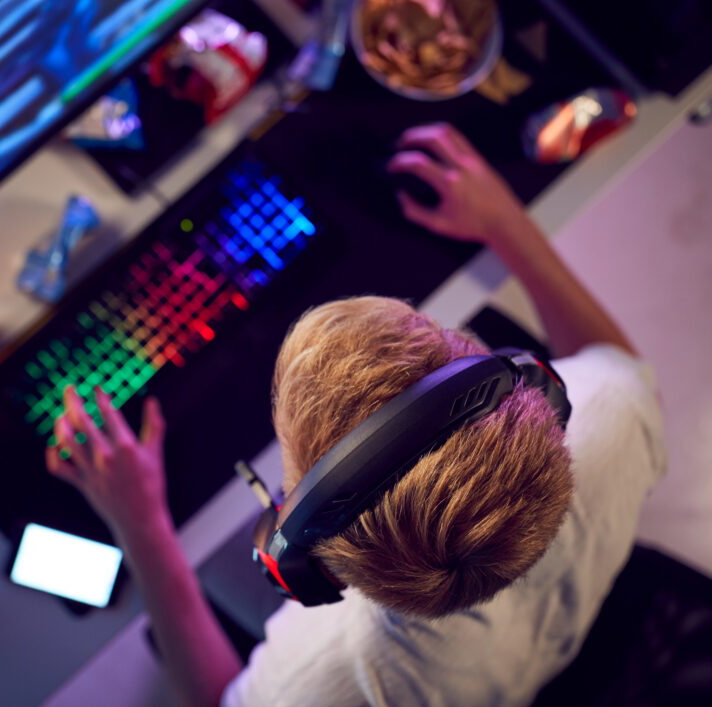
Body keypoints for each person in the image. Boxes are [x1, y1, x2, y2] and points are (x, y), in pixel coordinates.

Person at [44, 124, 666, 706]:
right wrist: (507, 222)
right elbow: (616, 364)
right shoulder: (609, 411)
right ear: (526, 381)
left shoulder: (327, 682)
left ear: (293, 560)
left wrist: (143, 527)